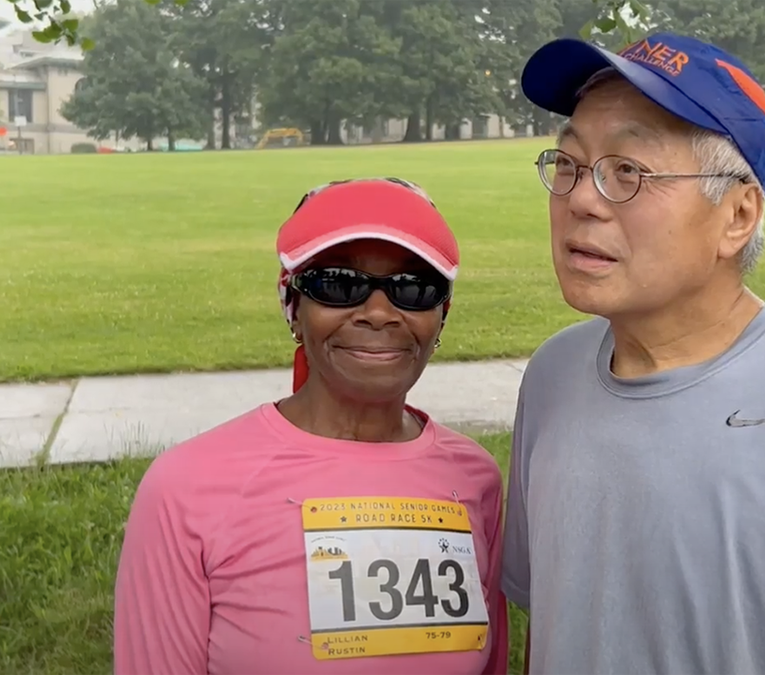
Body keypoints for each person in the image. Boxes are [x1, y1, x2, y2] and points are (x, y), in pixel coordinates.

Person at [500, 33, 765, 675]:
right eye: (569, 165)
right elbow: (551, 621)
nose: (581, 200)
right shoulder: (552, 376)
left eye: (628, 172)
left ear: (737, 216)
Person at [114, 177, 509, 675]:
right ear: (294, 309)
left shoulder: (475, 479)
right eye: (339, 284)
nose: (379, 313)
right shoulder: (185, 490)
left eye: (413, 289)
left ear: (441, 318)